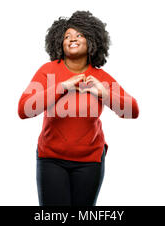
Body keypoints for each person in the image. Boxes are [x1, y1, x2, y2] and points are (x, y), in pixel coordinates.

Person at [18, 11, 139, 206]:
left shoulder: (101, 77)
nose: (72, 39)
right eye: (67, 36)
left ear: (92, 40)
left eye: (79, 35)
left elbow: (133, 111)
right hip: (51, 159)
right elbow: (24, 109)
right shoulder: (47, 70)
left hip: (90, 161)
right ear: (59, 42)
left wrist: (103, 93)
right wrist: (62, 87)